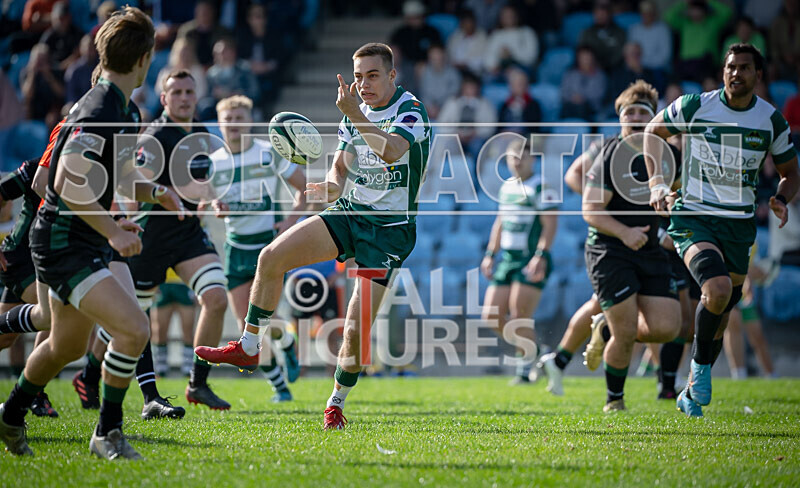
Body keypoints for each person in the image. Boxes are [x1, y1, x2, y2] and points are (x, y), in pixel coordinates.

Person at [195, 42, 430, 430]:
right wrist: (330, 186)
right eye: (358, 77)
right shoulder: (354, 113)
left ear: (392, 75)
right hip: (350, 213)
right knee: (271, 258)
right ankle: (249, 347)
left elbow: (390, 151)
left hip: (389, 232)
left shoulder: (411, 110)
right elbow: (340, 168)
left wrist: (355, 113)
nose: (364, 84)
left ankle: (335, 403)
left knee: (354, 330)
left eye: (373, 76)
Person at [0, 6, 184, 459]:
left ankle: (10, 416)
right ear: (144, 59)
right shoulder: (100, 108)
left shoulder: (123, 107)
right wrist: (113, 232)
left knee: (64, 344)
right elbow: (66, 182)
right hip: (65, 241)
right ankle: (108, 432)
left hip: (71, 237)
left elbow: (118, 176)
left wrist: (157, 192)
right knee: (133, 329)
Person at [645, 43, 799, 417]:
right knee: (715, 290)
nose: (735, 73)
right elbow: (651, 132)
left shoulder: (771, 120)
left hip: (739, 227)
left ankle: (691, 389)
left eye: (744, 67)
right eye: (730, 67)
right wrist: (657, 184)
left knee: (721, 314)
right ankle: (699, 374)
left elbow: (791, 172)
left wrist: (781, 197)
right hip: (693, 217)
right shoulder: (697, 105)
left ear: (758, 75)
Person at [581, 80, 682, 412]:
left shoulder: (668, 155)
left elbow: (681, 196)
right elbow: (590, 210)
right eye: (630, 112)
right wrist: (624, 232)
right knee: (625, 332)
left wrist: (676, 216)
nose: (636, 118)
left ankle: (607, 327)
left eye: (643, 113)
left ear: (654, 119)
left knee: (668, 327)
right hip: (610, 250)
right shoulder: (610, 154)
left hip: (650, 250)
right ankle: (615, 400)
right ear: (620, 118)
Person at [208, 95, 307, 402]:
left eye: (239, 118)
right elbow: (207, 200)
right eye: (228, 119)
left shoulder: (268, 152)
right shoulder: (214, 162)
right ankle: (280, 386)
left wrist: (289, 222)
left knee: (264, 321)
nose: (234, 124)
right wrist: (214, 206)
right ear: (219, 123)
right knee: (246, 328)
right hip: (235, 248)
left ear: (250, 121)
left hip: (267, 247)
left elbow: (305, 189)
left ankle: (286, 344)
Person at [481, 138, 558, 385]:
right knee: (491, 315)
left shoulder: (541, 187)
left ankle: (524, 371)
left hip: (530, 258)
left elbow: (550, 224)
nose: (517, 162)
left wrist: (541, 256)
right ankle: (538, 351)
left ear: (532, 159)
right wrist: (490, 254)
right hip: (507, 258)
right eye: (513, 157)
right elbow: (500, 222)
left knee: (519, 315)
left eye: (522, 157)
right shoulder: (506, 187)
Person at [665, 0, 733, 82]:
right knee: (673, 85)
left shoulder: (713, 23)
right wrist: (686, 3)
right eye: (692, 10)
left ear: (704, 11)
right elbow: (668, 16)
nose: (695, 13)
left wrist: (708, 1)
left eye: (698, 10)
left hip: (706, 64)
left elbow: (727, 13)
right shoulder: (684, 24)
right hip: (686, 63)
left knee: (709, 83)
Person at [150, 273, 197, 377]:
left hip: (185, 283)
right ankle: (160, 368)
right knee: (159, 330)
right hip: (162, 282)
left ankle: (188, 367)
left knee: (188, 329)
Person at [483, 5, 538, 76]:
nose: (509, 18)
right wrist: (496, 63)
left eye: (511, 15)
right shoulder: (496, 35)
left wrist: (512, 54)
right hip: (501, 70)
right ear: (501, 18)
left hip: (523, 69)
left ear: (517, 16)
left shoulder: (527, 32)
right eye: (505, 16)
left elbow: (532, 57)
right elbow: (489, 56)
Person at [560, 46, 606, 120]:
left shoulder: (600, 76)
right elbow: (563, 92)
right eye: (582, 58)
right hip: (571, 105)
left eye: (587, 58)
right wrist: (572, 98)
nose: (585, 61)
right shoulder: (570, 74)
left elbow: (599, 95)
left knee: (582, 108)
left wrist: (583, 98)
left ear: (593, 59)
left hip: (591, 108)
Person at [579, 0, 626, 71]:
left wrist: (607, 65)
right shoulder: (587, 32)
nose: (600, 17)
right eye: (597, 14)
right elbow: (582, 51)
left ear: (609, 15)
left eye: (603, 14)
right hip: (592, 69)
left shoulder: (620, 32)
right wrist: (595, 64)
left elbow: (620, 53)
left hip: (615, 68)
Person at [628, 1, 672, 74]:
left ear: (654, 13)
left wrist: (644, 65)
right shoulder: (634, 29)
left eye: (649, 13)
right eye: (644, 13)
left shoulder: (663, 29)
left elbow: (665, 56)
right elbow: (631, 52)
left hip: (658, 69)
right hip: (637, 69)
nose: (647, 16)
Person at [418, 45, 460, 120]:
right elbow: (424, 93)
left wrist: (440, 108)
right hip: (428, 108)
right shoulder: (425, 71)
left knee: (453, 104)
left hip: (446, 108)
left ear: (444, 56)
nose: (436, 60)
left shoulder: (453, 73)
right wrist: (429, 107)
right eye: (433, 58)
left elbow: (453, 95)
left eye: (438, 56)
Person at [498, 67, 541, 135]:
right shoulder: (505, 105)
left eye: (520, 84)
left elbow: (535, 127)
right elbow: (499, 126)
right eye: (514, 84)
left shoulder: (533, 105)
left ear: (527, 85)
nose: (518, 87)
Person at [446, 9, 488, 75]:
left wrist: (467, 65)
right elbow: (448, 55)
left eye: (469, 22)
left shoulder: (482, 37)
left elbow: (483, 61)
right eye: (464, 23)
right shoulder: (455, 36)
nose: (467, 26)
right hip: (454, 71)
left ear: (474, 23)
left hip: (474, 72)